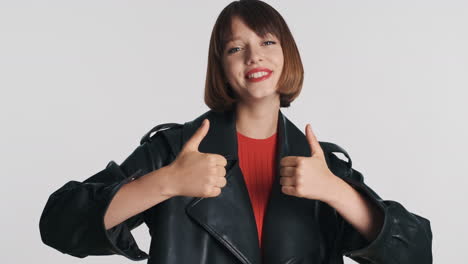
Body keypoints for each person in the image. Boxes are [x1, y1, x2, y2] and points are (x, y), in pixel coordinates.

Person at [39, 1, 433, 263]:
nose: (254, 56)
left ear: (287, 54)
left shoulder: (323, 165)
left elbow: (417, 252)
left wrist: (335, 190)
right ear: (221, 66)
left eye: (267, 41)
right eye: (235, 48)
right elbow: (58, 225)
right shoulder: (174, 150)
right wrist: (166, 182)